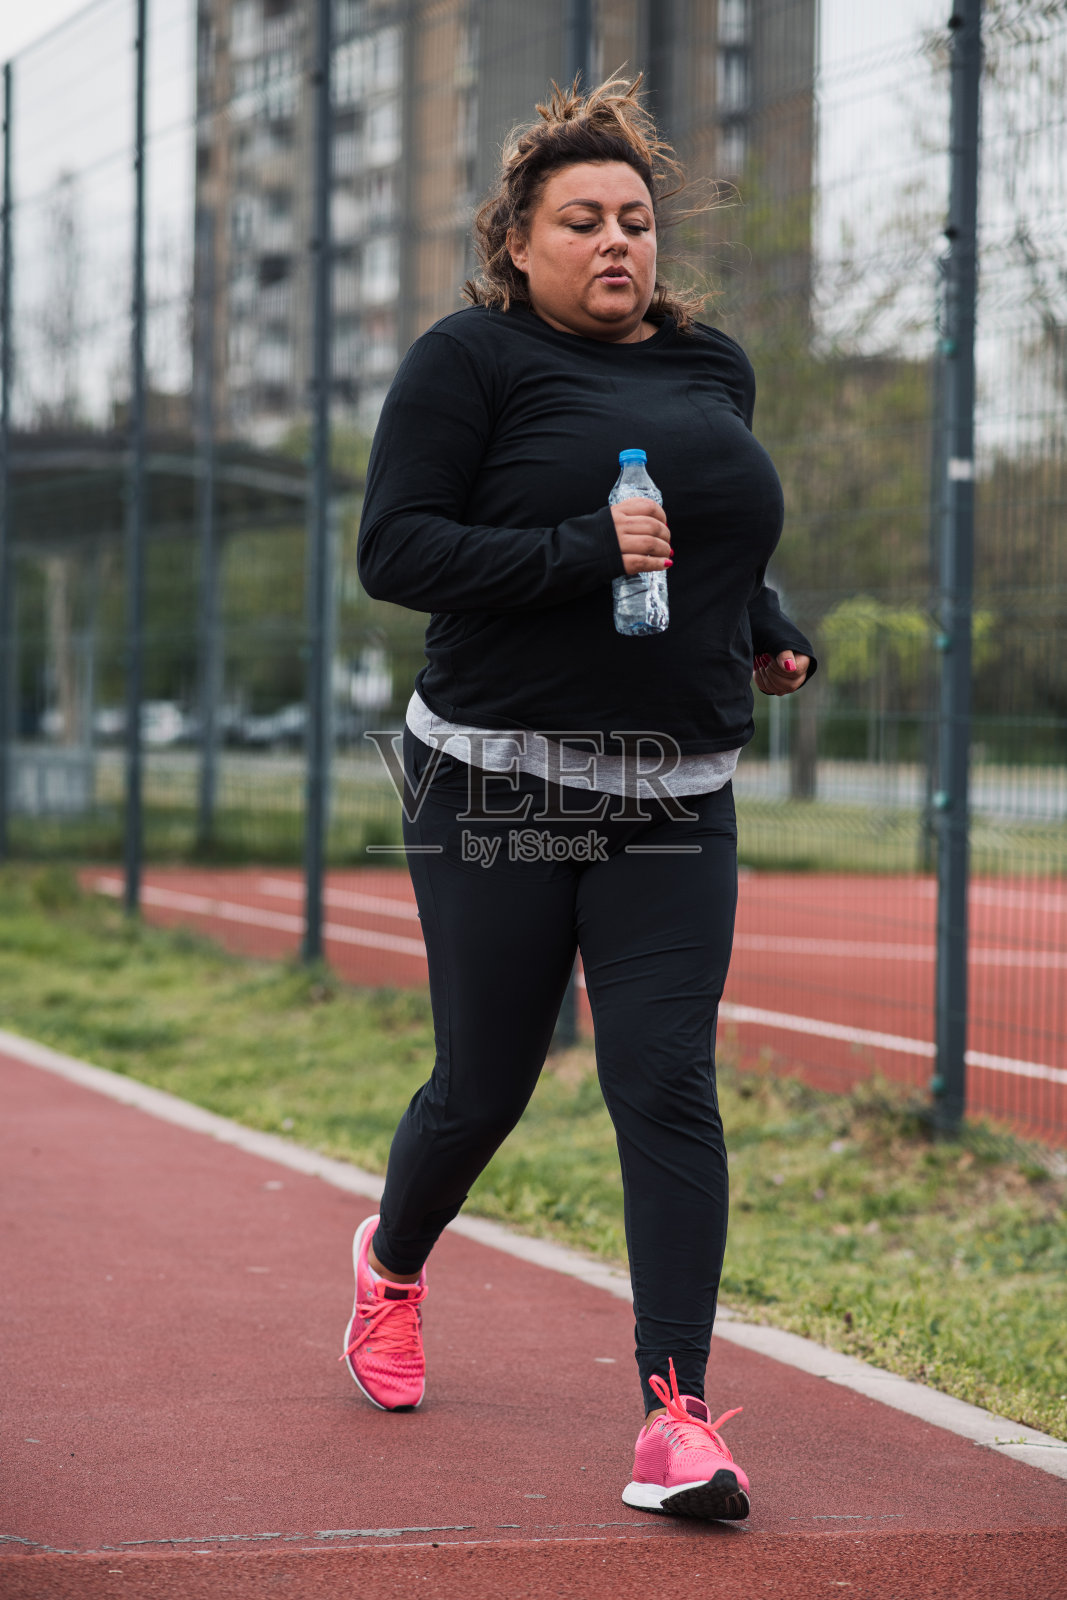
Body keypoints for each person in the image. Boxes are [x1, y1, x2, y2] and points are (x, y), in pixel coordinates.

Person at [344, 74, 814, 1523]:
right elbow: (397, 553)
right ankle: (392, 1265)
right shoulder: (467, 362)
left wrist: (765, 625)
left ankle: (677, 1418)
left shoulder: (710, 367)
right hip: (494, 781)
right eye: (584, 221)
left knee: (663, 1077)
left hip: (676, 791)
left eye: (635, 221)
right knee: (483, 1083)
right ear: (520, 242)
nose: (619, 242)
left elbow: (709, 540)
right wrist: (578, 552)